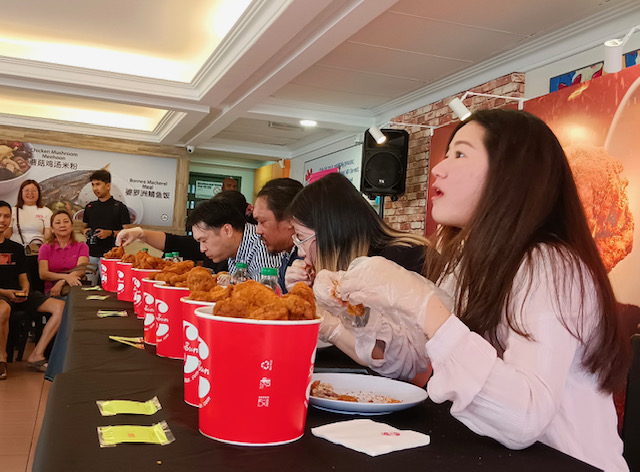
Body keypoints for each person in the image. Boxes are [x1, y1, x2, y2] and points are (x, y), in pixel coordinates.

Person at [314, 109, 630, 471]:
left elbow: (523, 418)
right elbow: (412, 361)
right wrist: (355, 312)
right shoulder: (466, 258)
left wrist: (423, 304)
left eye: (460, 154)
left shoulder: (550, 265)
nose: (438, 168)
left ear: (511, 175)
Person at [285, 172, 444, 382]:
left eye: (301, 239)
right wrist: (303, 295)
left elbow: (417, 370)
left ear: (329, 234)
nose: (300, 252)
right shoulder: (340, 269)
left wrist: (329, 324)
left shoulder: (407, 259)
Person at [0, 201, 65, 378]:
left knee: (60, 307)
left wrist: (25, 289)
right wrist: (5, 293)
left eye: (6, 216)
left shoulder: (16, 248)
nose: (2, 220)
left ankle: (37, 354)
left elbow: (23, 277)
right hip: (2, 296)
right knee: (2, 309)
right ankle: (2, 359)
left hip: (19, 294)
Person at [115, 190, 255, 273]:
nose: (202, 249)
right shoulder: (219, 242)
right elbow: (176, 242)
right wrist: (140, 233)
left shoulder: (256, 246)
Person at [188, 199, 283, 280]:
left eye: (204, 240)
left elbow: (263, 293)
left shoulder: (262, 246)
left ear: (227, 230)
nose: (202, 249)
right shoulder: (234, 247)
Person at [252, 178, 303, 291]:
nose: (258, 231)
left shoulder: (307, 261)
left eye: (262, 222)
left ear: (290, 219)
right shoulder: (288, 254)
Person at [82, 169, 130, 283]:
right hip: (90, 254)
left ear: (108, 186)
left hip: (111, 256)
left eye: (98, 184)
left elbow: (127, 233)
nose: (95, 188)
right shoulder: (90, 207)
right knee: (87, 287)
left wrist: (110, 233)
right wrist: (85, 231)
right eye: (93, 185)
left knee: (108, 286)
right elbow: (83, 227)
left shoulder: (120, 207)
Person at [5, 179, 52, 293]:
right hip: (17, 253)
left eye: (34, 190)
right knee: (16, 283)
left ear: (38, 193)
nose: (30, 193)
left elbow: (48, 236)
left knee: (36, 285)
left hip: (37, 254)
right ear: (21, 193)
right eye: (27, 190)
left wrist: (42, 251)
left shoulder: (46, 211)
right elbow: (7, 234)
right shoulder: (13, 211)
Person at [38, 211, 90, 298]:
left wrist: (61, 282)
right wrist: (66, 277)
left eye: (66, 221)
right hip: (53, 291)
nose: (62, 225)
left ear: (72, 226)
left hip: (75, 289)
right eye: (58, 223)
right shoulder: (45, 248)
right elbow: (43, 274)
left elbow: (81, 270)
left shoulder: (82, 246)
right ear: (52, 229)